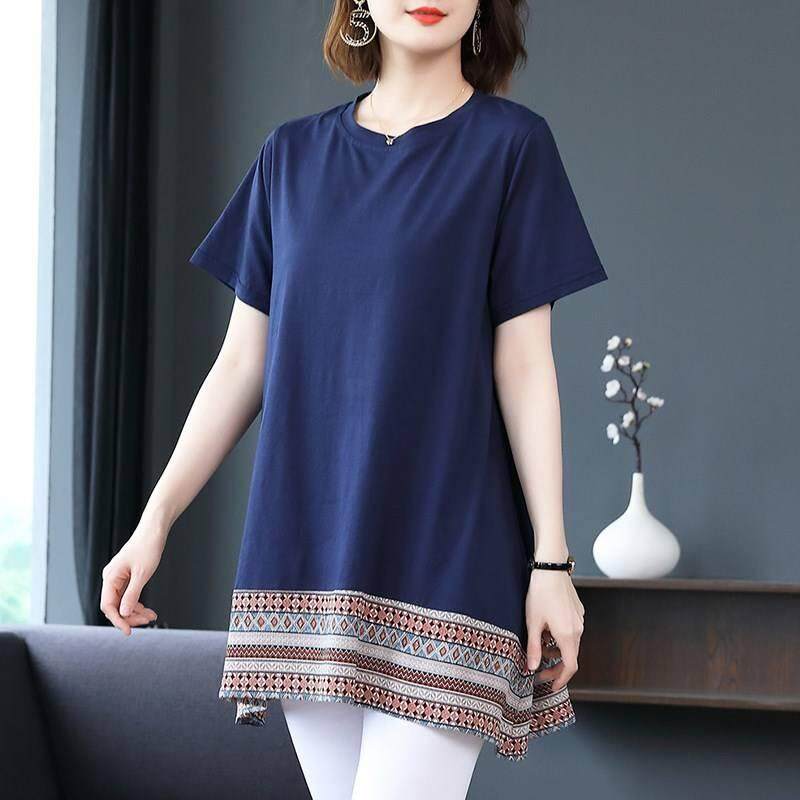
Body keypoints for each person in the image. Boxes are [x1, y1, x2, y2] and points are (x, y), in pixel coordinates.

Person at [99, 1, 608, 797]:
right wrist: (153, 523)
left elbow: (524, 366)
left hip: (449, 554)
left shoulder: (512, 147)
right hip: (309, 555)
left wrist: (551, 559)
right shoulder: (291, 157)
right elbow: (242, 364)